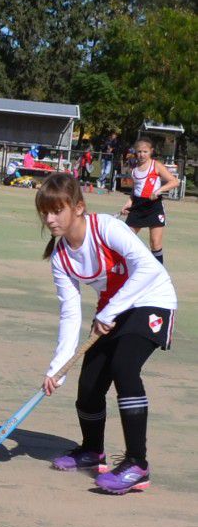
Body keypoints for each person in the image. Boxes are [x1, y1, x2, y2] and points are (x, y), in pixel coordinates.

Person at [36, 172, 176, 495]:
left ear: (78, 207)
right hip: (114, 310)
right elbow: (70, 313)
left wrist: (109, 312)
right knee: (88, 384)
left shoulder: (107, 228)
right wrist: (59, 366)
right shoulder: (60, 257)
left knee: (124, 367)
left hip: (153, 299)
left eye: (57, 210)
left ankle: (137, 464)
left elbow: (149, 269)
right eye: (45, 212)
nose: (50, 218)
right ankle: (91, 451)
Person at [121, 137, 178, 265]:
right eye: (139, 151)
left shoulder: (156, 166)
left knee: (155, 243)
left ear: (151, 151)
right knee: (125, 239)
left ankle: (159, 272)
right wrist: (128, 203)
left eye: (145, 151)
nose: (142, 154)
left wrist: (158, 191)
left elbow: (174, 181)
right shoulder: (134, 169)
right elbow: (135, 191)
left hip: (154, 207)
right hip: (138, 206)